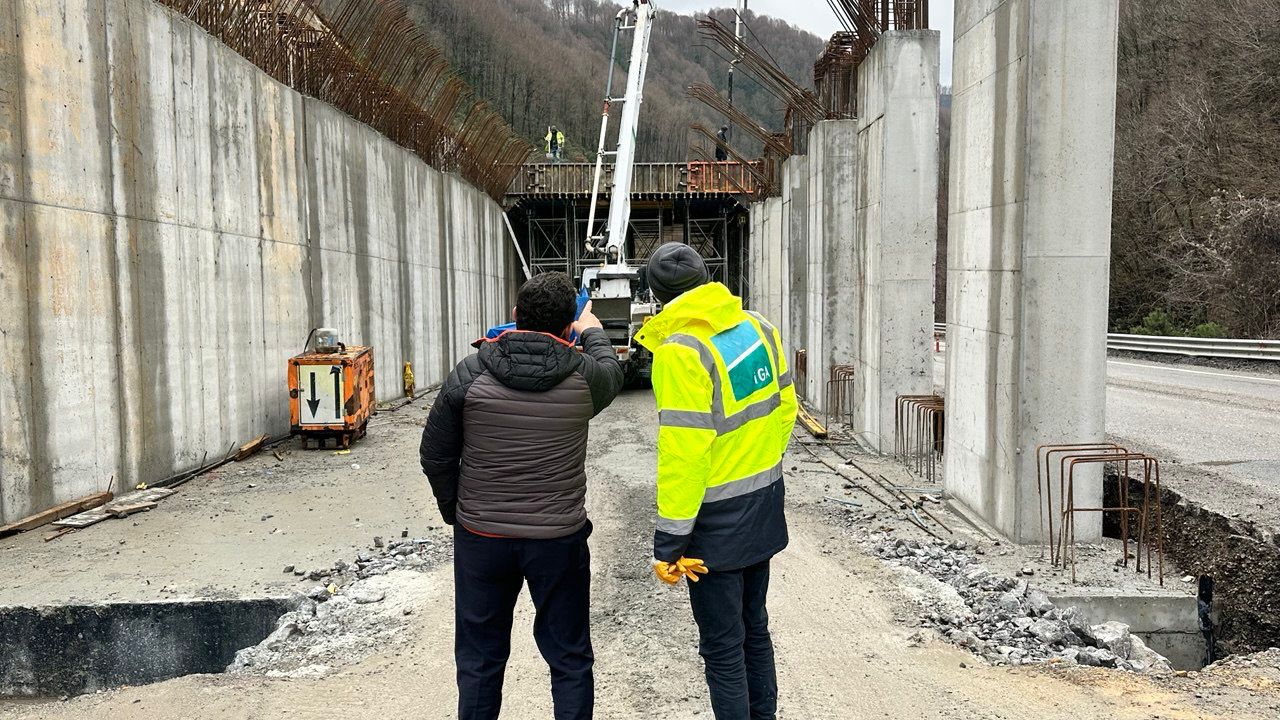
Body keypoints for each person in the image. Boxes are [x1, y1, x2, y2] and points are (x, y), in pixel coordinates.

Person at [420, 271, 624, 720]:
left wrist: (456, 511)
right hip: (558, 541)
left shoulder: (470, 373)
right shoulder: (588, 379)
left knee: (479, 661)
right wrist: (592, 330)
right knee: (569, 659)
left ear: (515, 316)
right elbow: (612, 368)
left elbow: (434, 456)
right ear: (568, 327)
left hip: (482, 538)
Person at [634, 242, 797, 720]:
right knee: (755, 630)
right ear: (707, 277)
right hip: (763, 506)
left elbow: (685, 454)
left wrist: (670, 540)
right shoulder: (758, 327)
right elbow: (785, 408)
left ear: (658, 294)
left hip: (715, 526)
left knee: (724, 649)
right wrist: (758, 464)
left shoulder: (681, 351)